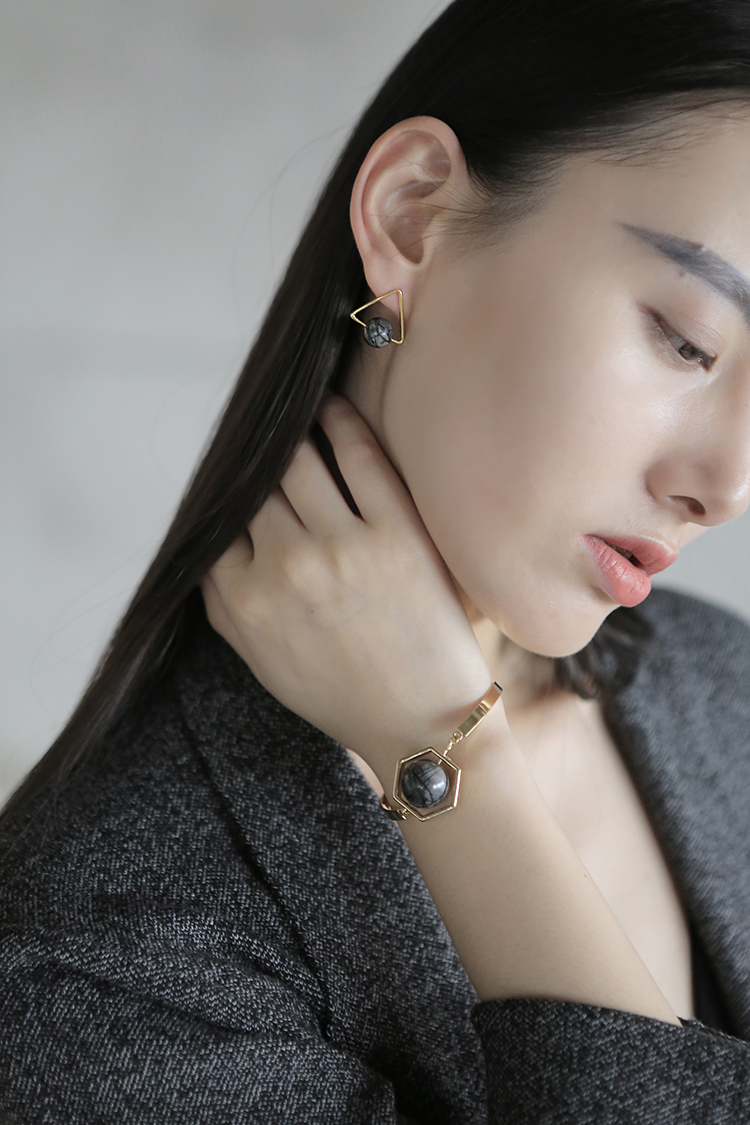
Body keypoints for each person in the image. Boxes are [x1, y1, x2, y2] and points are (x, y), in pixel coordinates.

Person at [3, 0, 750, 1119]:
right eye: (688, 340)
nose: (729, 485)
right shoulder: (97, 965)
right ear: (412, 215)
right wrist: (457, 765)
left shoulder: (723, 685)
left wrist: (441, 741)